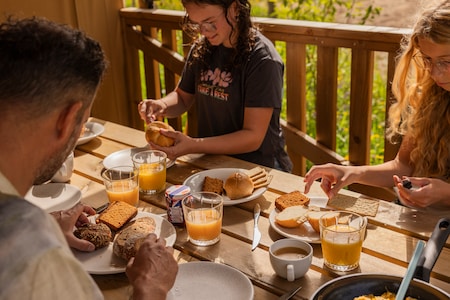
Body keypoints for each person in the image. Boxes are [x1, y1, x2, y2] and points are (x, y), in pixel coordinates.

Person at [0, 17, 177, 299]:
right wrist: (151, 287)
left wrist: (49, 223)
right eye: (83, 122)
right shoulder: (29, 248)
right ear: (67, 119)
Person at [304, 1, 450, 210]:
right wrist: (351, 173)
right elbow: (403, 166)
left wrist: (446, 195)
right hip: (420, 223)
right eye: (427, 59)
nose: (434, 73)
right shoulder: (432, 96)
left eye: (446, 61)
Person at [138, 0, 293, 172]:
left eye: (210, 22)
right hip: (212, 164)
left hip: (258, 170)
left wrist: (193, 145)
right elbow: (182, 97)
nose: (203, 31)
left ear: (234, 8)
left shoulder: (263, 60)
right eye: (197, 23)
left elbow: (252, 136)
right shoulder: (202, 48)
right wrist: (162, 105)